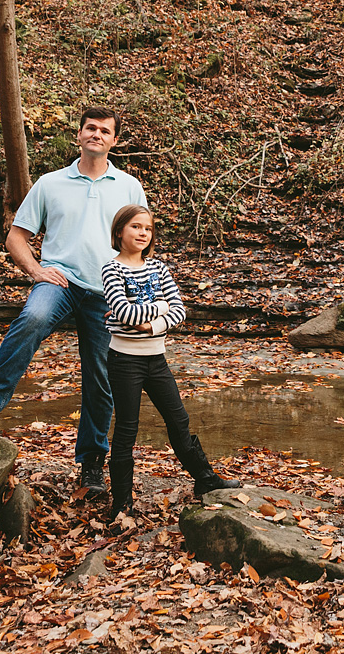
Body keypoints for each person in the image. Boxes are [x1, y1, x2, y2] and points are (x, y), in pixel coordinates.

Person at [0, 107, 145, 496]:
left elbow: (139, 239)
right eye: (91, 128)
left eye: (105, 131)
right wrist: (37, 271)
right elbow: (16, 236)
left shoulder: (129, 187)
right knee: (33, 317)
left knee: (100, 376)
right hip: (60, 281)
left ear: (114, 140)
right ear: (79, 135)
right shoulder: (51, 184)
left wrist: (132, 290)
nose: (97, 135)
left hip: (109, 290)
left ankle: (91, 464)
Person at [101, 205, 240, 519]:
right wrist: (159, 307)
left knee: (179, 422)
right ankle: (121, 504)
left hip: (156, 359)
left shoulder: (159, 269)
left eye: (147, 229)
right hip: (124, 360)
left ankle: (206, 480)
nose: (142, 233)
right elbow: (122, 312)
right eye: (135, 227)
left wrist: (150, 323)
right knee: (126, 430)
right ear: (119, 231)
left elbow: (179, 310)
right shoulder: (112, 270)